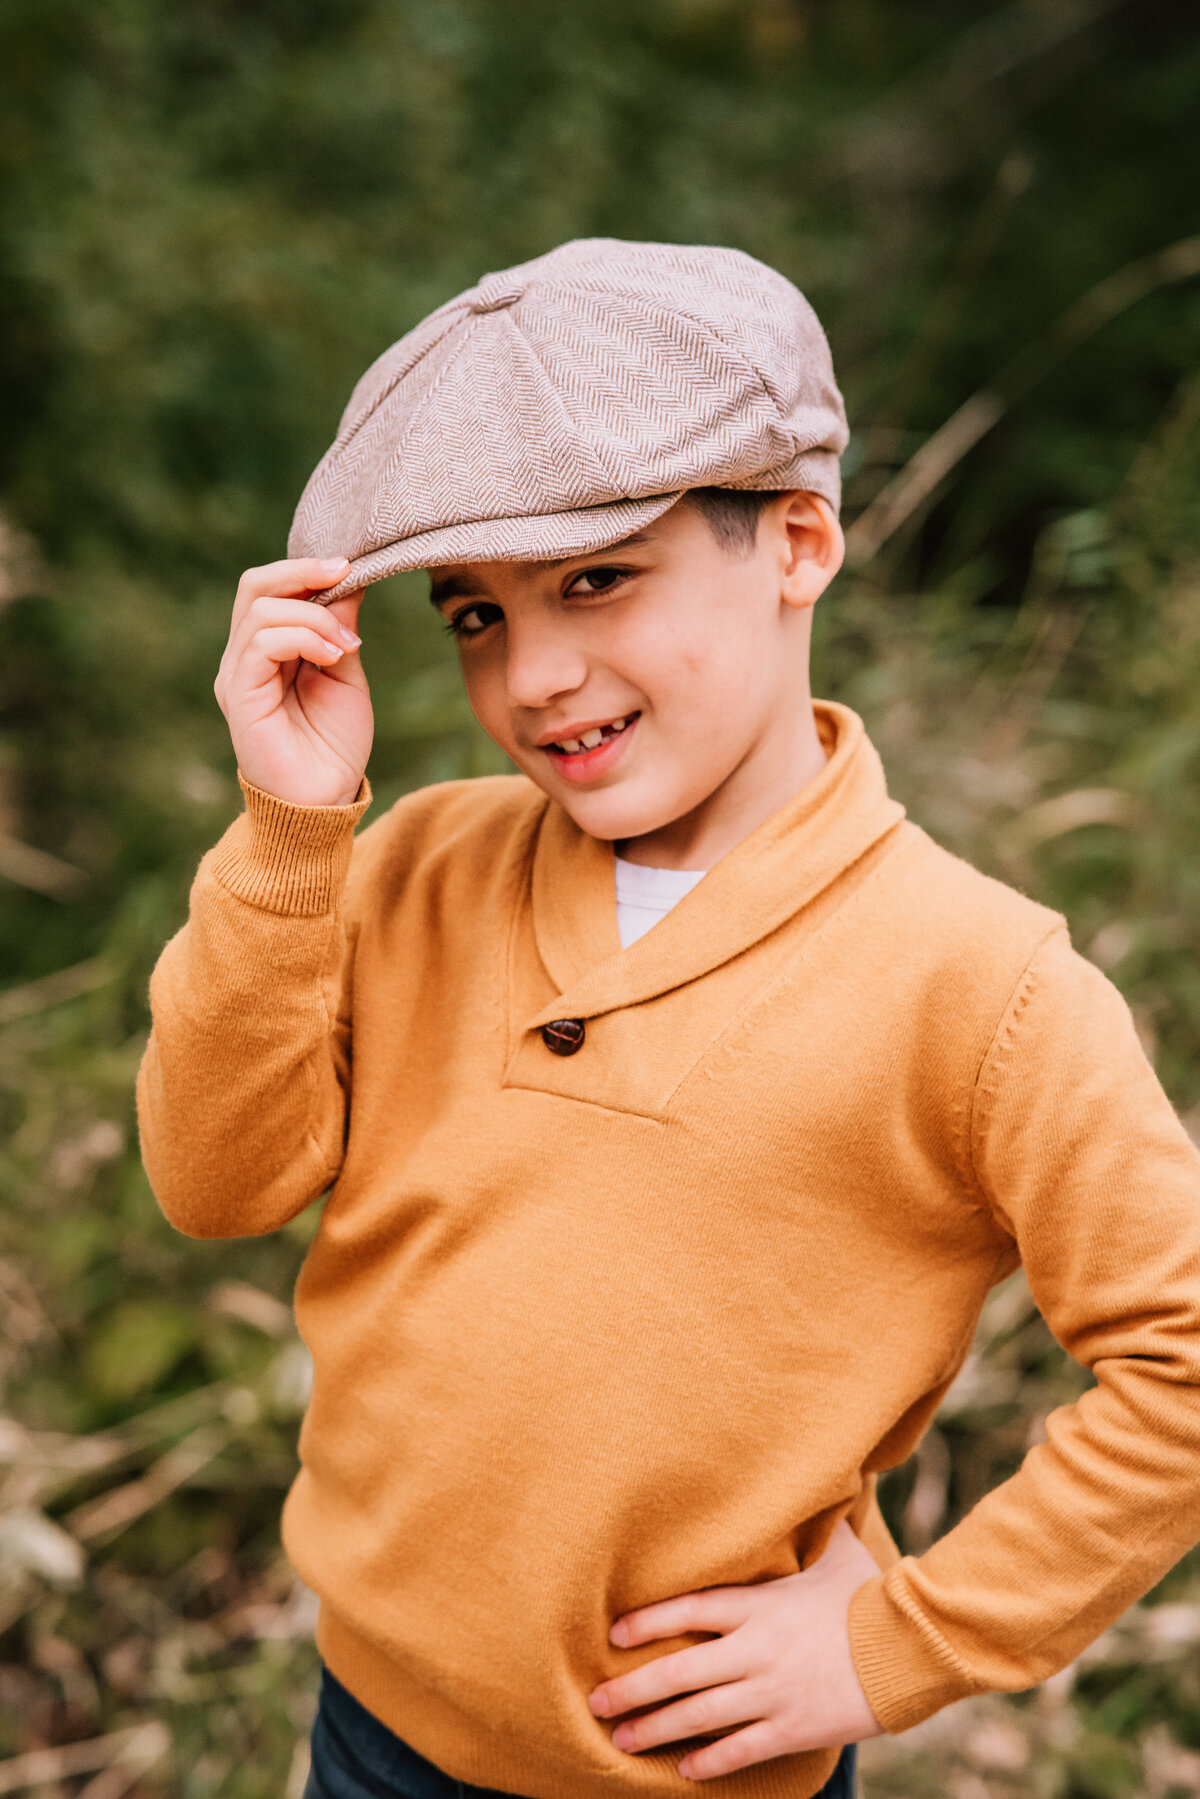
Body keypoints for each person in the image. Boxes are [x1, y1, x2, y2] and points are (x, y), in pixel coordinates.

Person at [137, 240, 1200, 1799]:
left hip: (695, 1778)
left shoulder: (977, 980)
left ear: (797, 542)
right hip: (368, 1733)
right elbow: (211, 1183)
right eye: (475, 617)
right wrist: (294, 831)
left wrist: (901, 1639)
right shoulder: (411, 866)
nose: (537, 676)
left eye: (595, 580)